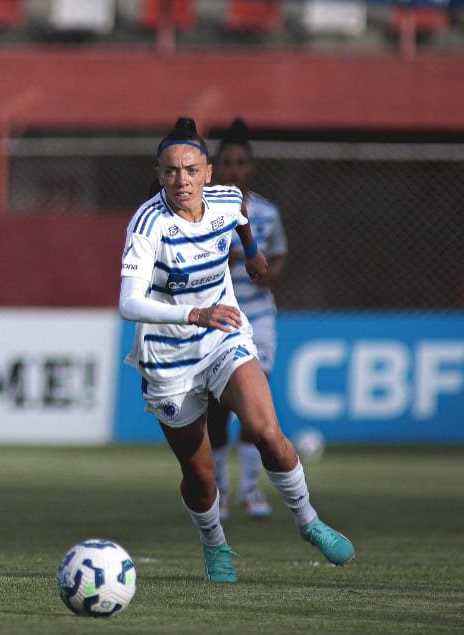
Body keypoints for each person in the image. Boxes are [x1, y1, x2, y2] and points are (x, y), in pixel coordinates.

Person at [118, 117, 353, 582]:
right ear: (160, 174)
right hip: (168, 360)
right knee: (200, 474)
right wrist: (194, 314)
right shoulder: (148, 223)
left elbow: (241, 221)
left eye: (190, 170)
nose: (180, 180)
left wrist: (252, 255)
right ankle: (215, 545)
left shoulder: (226, 200)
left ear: (208, 172)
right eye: (170, 172)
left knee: (267, 431)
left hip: (224, 339)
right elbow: (128, 302)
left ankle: (308, 520)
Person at [206, 118, 288, 521]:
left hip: (257, 312)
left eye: (241, 162)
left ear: (250, 167)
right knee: (218, 407)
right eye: (227, 163)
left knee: (256, 404)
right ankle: (220, 492)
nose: (234, 169)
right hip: (218, 312)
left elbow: (279, 257)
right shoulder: (202, 211)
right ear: (216, 168)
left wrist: (264, 269)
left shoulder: (268, 212)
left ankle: (252, 491)